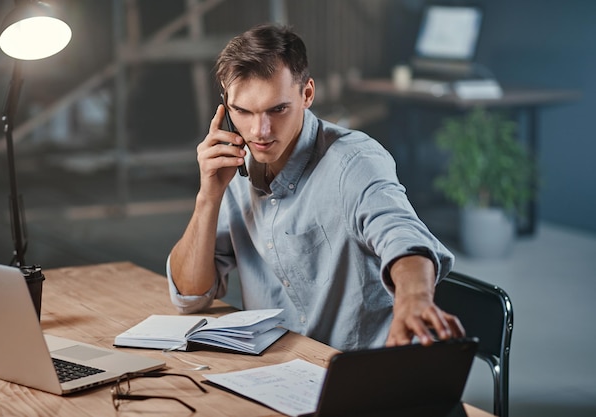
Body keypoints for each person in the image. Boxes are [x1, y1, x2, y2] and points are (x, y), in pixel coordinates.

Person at [166, 23, 464, 351]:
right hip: (274, 371)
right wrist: (208, 197)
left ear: (307, 94)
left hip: (356, 376)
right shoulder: (234, 168)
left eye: (277, 109)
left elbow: (403, 236)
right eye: (243, 111)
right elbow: (190, 298)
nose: (260, 131)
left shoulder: (355, 162)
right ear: (225, 105)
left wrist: (415, 299)